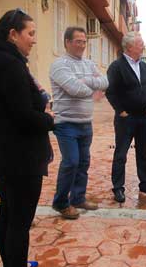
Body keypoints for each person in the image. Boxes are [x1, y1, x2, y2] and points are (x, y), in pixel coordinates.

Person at [0, 9, 54, 267]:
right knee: (19, 223)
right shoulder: (8, 63)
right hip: (20, 158)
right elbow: (22, 115)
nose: (34, 39)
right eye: (31, 33)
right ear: (13, 34)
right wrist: (50, 119)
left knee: (8, 215)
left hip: (4, 155)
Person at [50, 27, 108, 218]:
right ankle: (60, 202)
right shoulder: (59, 65)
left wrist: (85, 80)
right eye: (78, 41)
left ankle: (78, 198)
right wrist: (92, 86)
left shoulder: (89, 64)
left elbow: (105, 82)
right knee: (71, 162)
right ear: (67, 42)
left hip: (85, 123)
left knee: (83, 162)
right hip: (66, 123)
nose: (82, 45)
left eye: (84, 42)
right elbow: (75, 89)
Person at [106, 31, 146, 203]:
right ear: (129, 47)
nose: (143, 46)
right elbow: (110, 91)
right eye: (140, 43)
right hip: (126, 119)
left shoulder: (144, 66)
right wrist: (120, 110)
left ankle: (145, 183)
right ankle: (118, 187)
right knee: (121, 153)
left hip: (145, 117)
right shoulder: (116, 66)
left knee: (145, 151)